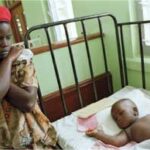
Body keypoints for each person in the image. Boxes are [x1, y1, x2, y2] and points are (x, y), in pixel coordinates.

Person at [0, 6, 57, 149]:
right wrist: (7, 64)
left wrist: (7, 64)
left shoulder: (22, 59)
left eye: (8, 37)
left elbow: (28, 102)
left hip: (28, 133)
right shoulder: (11, 60)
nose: (5, 44)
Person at [86, 98, 150, 147]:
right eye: (116, 119)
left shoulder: (147, 116)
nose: (118, 118)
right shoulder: (127, 131)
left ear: (135, 111)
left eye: (121, 113)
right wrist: (97, 134)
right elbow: (115, 141)